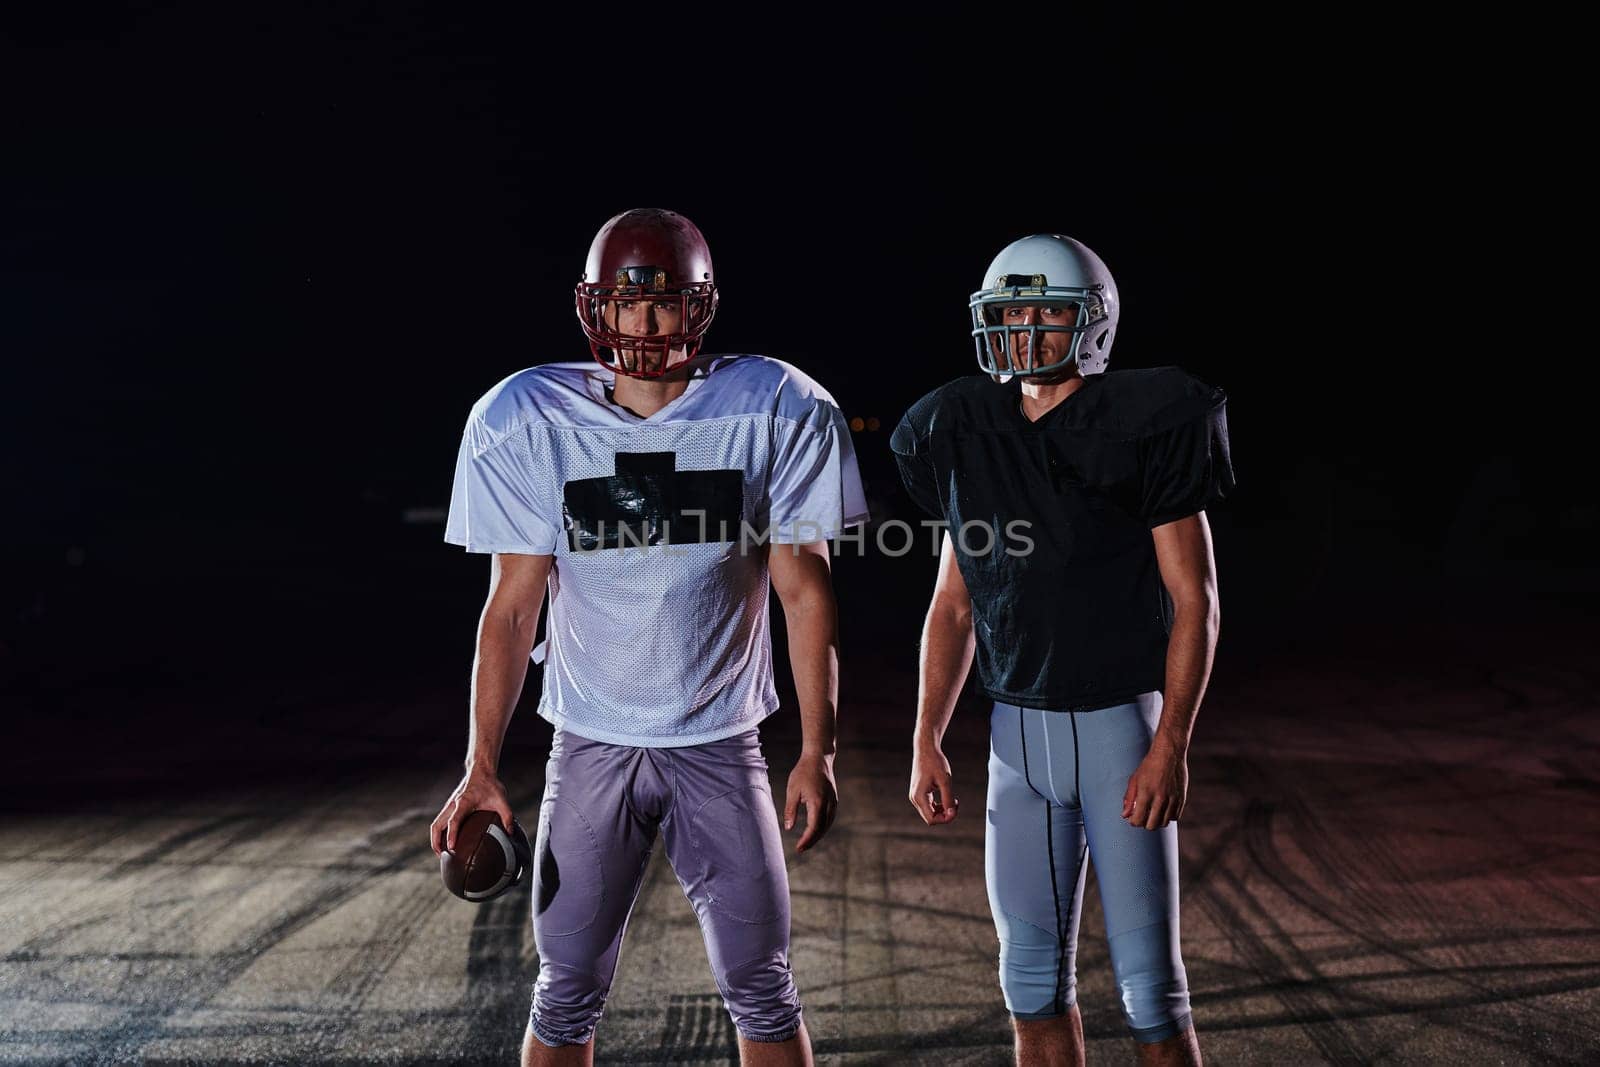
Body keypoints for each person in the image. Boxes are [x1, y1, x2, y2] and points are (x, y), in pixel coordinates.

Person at [432, 208, 868, 1067]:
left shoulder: (775, 404)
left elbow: (803, 586)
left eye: (662, 302)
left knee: (763, 987)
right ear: (595, 307)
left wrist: (818, 747)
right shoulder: (527, 416)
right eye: (625, 304)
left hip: (719, 742)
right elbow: (512, 608)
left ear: (698, 306)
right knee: (562, 992)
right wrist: (480, 765)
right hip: (591, 743)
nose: (643, 323)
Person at [890, 234, 1232, 1066]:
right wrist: (925, 735)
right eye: (1012, 310)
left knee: (1153, 992)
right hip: (1017, 738)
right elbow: (951, 605)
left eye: (1048, 310)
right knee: (1031, 982)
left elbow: (1197, 599)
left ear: (1092, 320)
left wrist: (1171, 742)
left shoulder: (1144, 423)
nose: (1028, 329)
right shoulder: (962, 429)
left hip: (1120, 727)